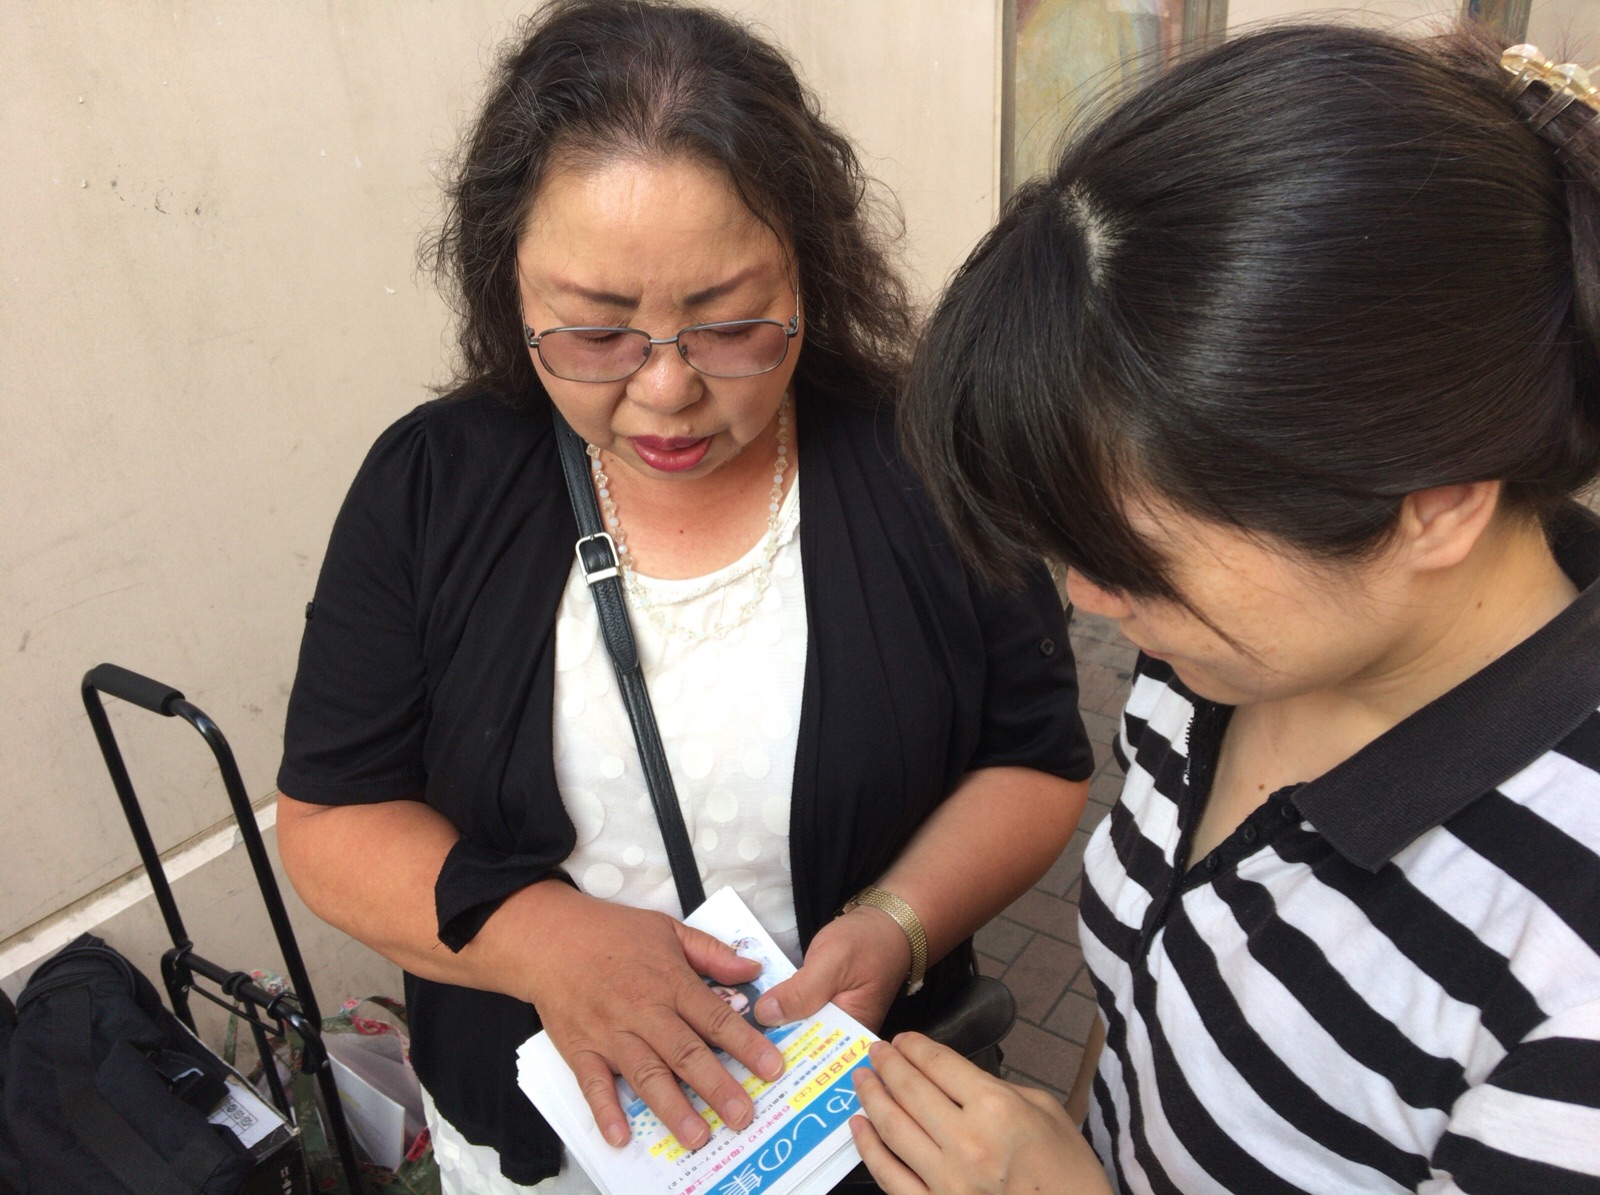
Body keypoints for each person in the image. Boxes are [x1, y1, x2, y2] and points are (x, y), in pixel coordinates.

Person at [272, 2, 1095, 1192]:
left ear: (810, 271)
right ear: (509, 288)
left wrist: (900, 922)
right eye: (596, 333)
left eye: (728, 323)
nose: (666, 390)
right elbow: (332, 817)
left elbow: (1035, 757)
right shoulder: (431, 488)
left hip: (843, 1132)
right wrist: (547, 943)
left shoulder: (930, 469)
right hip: (540, 1149)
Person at [852, 22, 1600, 1195]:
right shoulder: (1210, 665)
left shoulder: (1567, 952)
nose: (1088, 598)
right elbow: (1146, 1000)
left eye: (1134, 559)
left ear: (1440, 503)